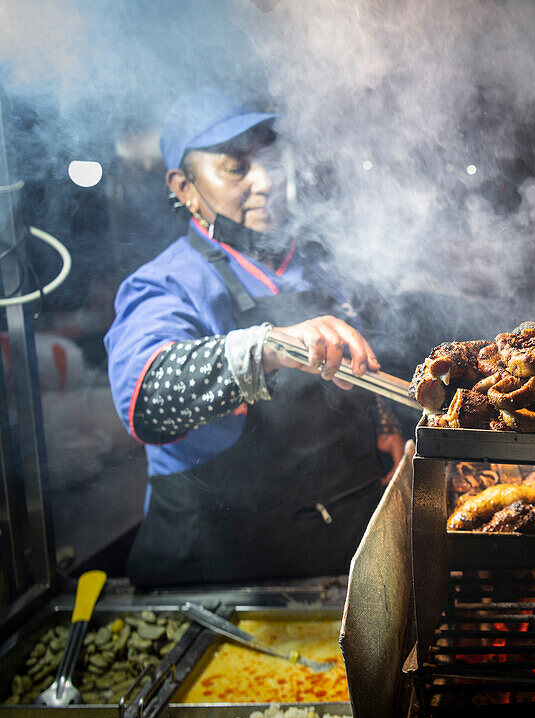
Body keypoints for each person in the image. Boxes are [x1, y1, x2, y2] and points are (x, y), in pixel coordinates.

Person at [105, 88, 404, 586]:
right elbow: (145, 399)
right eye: (236, 167)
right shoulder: (165, 283)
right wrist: (268, 348)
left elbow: (355, 365)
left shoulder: (317, 267)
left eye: (270, 159)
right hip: (225, 580)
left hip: (339, 567)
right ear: (184, 187)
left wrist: (382, 423)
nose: (266, 182)